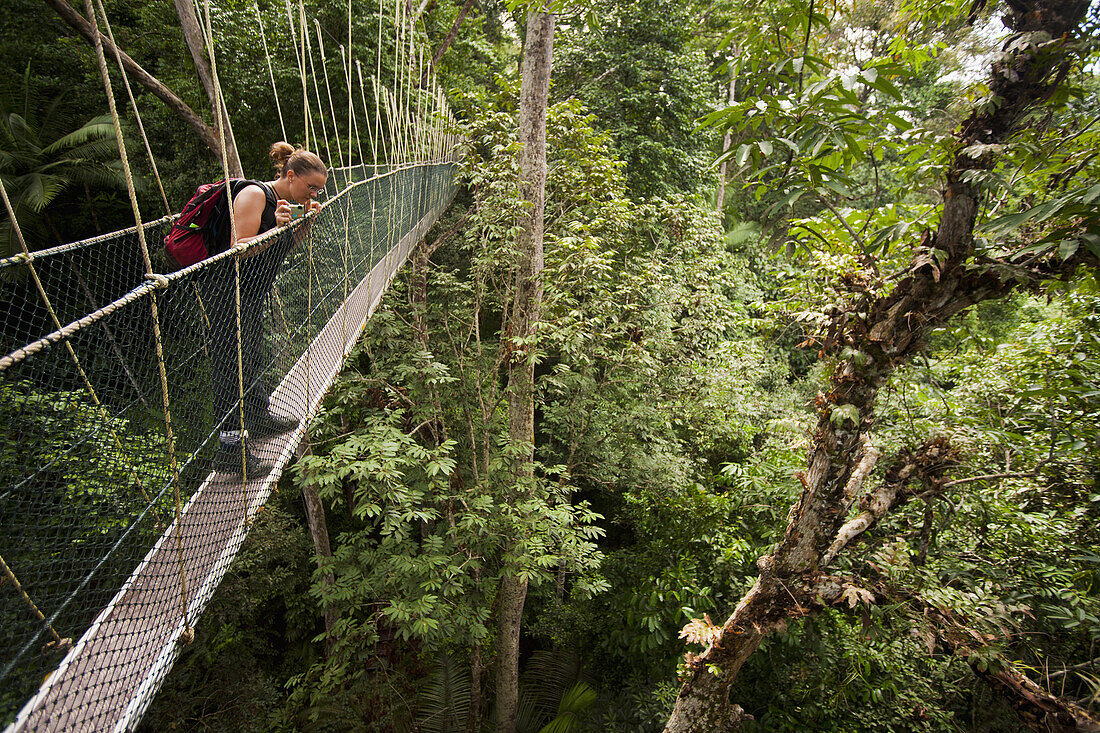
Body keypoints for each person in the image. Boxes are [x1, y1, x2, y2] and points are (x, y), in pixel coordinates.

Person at [207, 142, 327, 478]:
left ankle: (258, 418)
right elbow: (239, 249)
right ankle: (231, 449)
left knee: (252, 356)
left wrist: (301, 225)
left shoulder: (290, 204)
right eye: (311, 187)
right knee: (230, 367)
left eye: (320, 190)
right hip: (225, 291)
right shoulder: (254, 196)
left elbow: (284, 245)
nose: (314, 194)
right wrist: (275, 227)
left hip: (252, 293)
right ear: (291, 176)